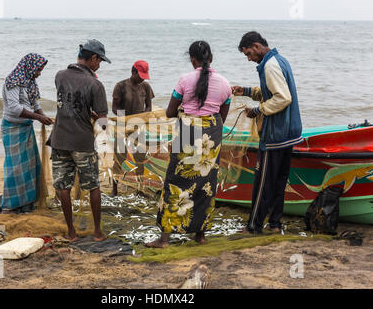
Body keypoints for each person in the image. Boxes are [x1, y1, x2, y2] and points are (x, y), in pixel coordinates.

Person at [146, 41, 232, 248]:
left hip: (187, 131)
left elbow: (169, 112)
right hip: (212, 134)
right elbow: (222, 116)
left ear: (192, 60)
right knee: (206, 184)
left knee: (175, 182)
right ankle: (200, 236)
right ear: (211, 58)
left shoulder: (184, 80)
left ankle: (165, 238)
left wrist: (189, 116)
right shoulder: (225, 83)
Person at [232, 31, 303, 234]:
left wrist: (257, 110)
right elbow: (271, 92)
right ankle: (274, 224)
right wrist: (245, 91)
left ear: (256, 46)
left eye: (248, 53)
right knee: (279, 181)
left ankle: (254, 226)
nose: (249, 58)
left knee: (262, 183)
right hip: (289, 133)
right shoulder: (279, 60)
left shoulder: (270, 66)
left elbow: (282, 98)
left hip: (275, 135)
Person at [48, 39, 110, 242]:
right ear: (93, 58)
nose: (99, 65)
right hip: (82, 141)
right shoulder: (95, 84)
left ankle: (71, 232)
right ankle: (98, 232)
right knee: (92, 186)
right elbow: (102, 122)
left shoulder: (60, 76)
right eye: (99, 61)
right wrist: (94, 116)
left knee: (63, 187)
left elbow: (66, 102)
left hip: (59, 139)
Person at [1, 53, 53, 214]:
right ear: (30, 67)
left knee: (29, 166)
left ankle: (27, 203)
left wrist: (42, 115)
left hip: (26, 128)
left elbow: (35, 103)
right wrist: (38, 117)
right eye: (38, 70)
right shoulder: (13, 81)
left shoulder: (30, 82)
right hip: (12, 128)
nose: (39, 73)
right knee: (15, 167)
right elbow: (14, 108)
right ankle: (10, 205)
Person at [111, 60, 155, 196]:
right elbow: (114, 108)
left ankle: (140, 189)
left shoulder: (146, 87)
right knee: (119, 157)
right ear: (133, 72)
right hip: (122, 126)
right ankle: (114, 189)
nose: (142, 78)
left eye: (144, 76)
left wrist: (143, 116)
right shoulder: (120, 86)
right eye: (140, 75)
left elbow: (149, 106)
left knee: (140, 158)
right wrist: (126, 120)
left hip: (139, 127)